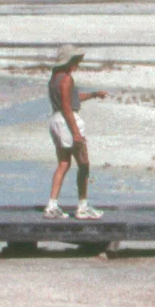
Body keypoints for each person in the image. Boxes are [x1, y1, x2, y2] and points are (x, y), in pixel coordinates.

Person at [44, 48, 107, 219]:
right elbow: (68, 107)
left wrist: (94, 94)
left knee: (63, 163)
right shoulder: (66, 79)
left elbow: (72, 97)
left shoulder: (54, 80)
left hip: (55, 121)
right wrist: (76, 133)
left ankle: (52, 205)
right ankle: (82, 207)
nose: (77, 64)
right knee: (84, 164)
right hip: (67, 121)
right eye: (76, 61)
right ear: (69, 62)